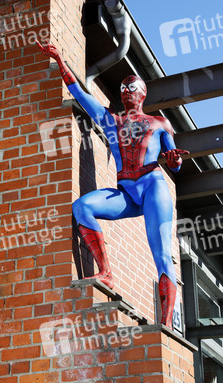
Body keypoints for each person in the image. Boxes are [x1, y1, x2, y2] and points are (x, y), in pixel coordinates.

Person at [36, 41, 189, 329]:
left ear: (143, 94)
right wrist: (59, 58)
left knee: (161, 254)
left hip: (152, 185)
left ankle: (166, 325)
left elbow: (175, 161)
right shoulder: (110, 122)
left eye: (132, 87)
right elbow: (79, 93)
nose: (127, 91)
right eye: (123, 88)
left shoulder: (159, 123)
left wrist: (173, 162)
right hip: (126, 192)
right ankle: (105, 272)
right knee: (82, 206)